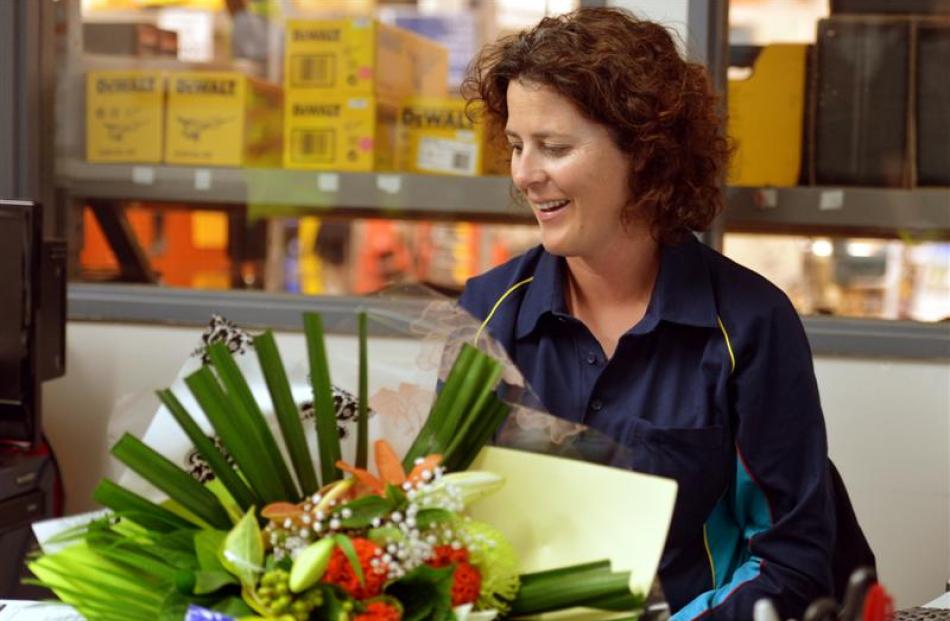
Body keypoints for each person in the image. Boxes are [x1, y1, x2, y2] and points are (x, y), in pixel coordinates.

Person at [458, 7, 869, 620]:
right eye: (517, 145)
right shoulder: (487, 313)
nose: (525, 174)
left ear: (644, 153)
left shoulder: (748, 326)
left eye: (554, 147)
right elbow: (449, 526)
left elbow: (791, 560)